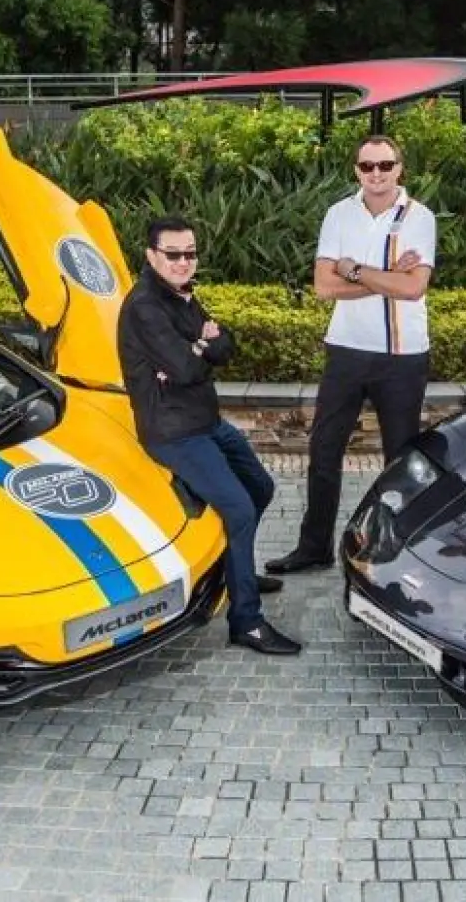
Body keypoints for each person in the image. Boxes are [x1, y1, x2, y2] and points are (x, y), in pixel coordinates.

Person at [118, 216, 302, 655]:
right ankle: (246, 620)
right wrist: (199, 346)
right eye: (174, 254)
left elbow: (224, 347)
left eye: (190, 253)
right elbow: (186, 367)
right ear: (151, 256)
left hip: (205, 420)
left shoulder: (181, 296)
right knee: (237, 508)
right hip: (172, 432)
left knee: (260, 487)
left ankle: (235, 570)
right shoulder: (145, 305)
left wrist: (200, 346)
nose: (184, 262)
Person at [266, 134, 436, 576]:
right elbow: (324, 287)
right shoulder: (338, 214)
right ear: (356, 170)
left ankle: (394, 550)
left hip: (402, 356)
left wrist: (354, 270)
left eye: (385, 165)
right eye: (367, 166)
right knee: (324, 452)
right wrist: (386, 276)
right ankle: (314, 546)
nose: (376, 174)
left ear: (400, 168)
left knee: (399, 461)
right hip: (345, 350)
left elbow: (413, 287)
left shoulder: (421, 217)